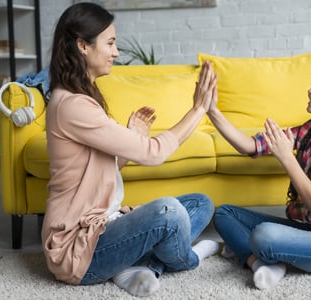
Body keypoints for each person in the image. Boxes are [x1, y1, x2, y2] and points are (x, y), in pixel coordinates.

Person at [41, 2, 219, 297]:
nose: (116, 52)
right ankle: (190, 258)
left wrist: (130, 139)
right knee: (170, 213)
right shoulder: (72, 106)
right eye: (110, 43)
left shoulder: (81, 98)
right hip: (79, 249)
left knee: (200, 203)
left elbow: (103, 170)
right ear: (83, 45)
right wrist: (199, 109)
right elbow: (154, 154)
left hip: (108, 226)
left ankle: (134, 266)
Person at [207, 61, 311, 290]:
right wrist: (212, 111)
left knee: (264, 236)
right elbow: (250, 146)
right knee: (224, 214)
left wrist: (286, 157)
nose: (310, 91)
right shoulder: (309, 130)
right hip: (309, 230)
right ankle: (259, 264)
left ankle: (253, 250)